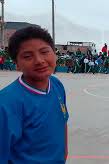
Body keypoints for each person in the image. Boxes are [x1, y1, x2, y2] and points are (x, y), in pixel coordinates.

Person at [0, 26, 69, 163]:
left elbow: (63, 121)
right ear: (17, 64)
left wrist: (65, 153)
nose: (39, 60)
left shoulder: (56, 85)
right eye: (27, 56)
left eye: (44, 52)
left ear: (54, 54)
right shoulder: (6, 103)